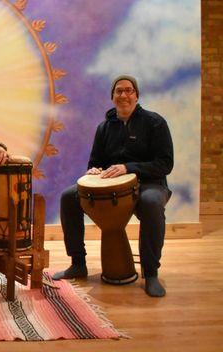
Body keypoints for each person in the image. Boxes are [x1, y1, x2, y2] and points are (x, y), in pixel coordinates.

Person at [53, 75, 173, 297]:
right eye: (119, 91)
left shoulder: (155, 123)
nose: (124, 95)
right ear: (112, 97)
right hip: (113, 188)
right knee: (68, 197)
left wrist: (129, 167)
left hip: (149, 184)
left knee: (151, 203)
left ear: (137, 95)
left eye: (129, 90)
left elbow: (165, 164)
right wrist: (94, 171)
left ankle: (151, 272)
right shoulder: (104, 128)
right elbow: (94, 163)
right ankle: (78, 263)